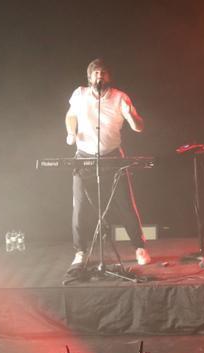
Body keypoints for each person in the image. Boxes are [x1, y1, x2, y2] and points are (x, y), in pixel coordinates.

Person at [65, 58, 149, 270]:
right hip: (83, 157)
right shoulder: (80, 94)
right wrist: (71, 132)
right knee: (80, 207)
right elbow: (70, 116)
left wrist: (131, 116)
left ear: (109, 77)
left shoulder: (120, 97)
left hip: (112, 157)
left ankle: (140, 248)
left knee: (126, 204)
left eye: (103, 73)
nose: (99, 76)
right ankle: (80, 251)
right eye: (95, 73)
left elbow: (139, 127)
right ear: (89, 77)